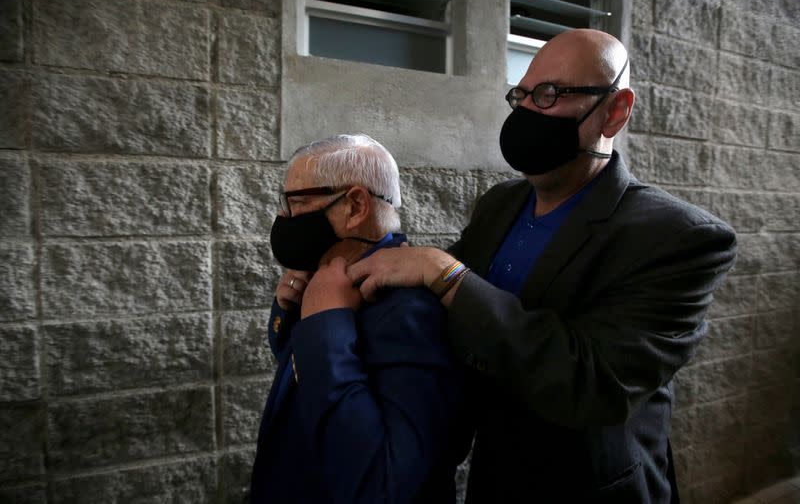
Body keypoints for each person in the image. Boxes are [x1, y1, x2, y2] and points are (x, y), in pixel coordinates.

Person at [347, 29, 737, 503]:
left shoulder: (679, 238)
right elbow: (442, 306)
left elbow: (593, 382)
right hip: (495, 479)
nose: (528, 112)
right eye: (522, 95)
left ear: (613, 112)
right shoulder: (500, 205)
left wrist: (443, 271)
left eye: (550, 94)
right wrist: (340, 274)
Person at [250, 134, 471, 504]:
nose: (283, 219)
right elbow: (302, 380)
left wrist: (324, 322)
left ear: (355, 205)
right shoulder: (328, 278)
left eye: (298, 203)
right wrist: (289, 315)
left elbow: (381, 484)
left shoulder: (413, 312)